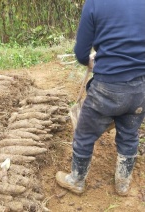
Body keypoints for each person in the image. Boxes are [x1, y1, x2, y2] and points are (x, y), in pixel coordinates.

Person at [56, 0, 145, 196]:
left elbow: (81, 53)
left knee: (84, 134)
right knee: (130, 134)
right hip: (140, 88)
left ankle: (77, 180)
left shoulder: (95, 3)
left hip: (107, 89)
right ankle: (123, 184)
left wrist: (91, 60)